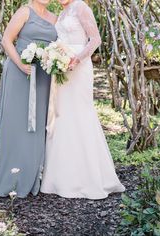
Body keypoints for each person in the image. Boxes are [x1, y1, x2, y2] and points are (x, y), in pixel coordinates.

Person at [40, 0, 125, 199]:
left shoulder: (81, 7)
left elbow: (95, 40)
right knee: (62, 116)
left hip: (79, 68)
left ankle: (90, 178)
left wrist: (76, 59)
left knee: (80, 114)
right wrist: (55, 57)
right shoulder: (60, 14)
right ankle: (60, 178)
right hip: (61, 70)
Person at [0, 0, 57, 197]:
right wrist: (21, 65)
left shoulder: (54, 18)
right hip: (20, 73)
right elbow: (6, 40)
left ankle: (30, 177)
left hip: (43, 76)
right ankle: (9, 179)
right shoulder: (24, 12)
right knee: (16, 123)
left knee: (36, 125)